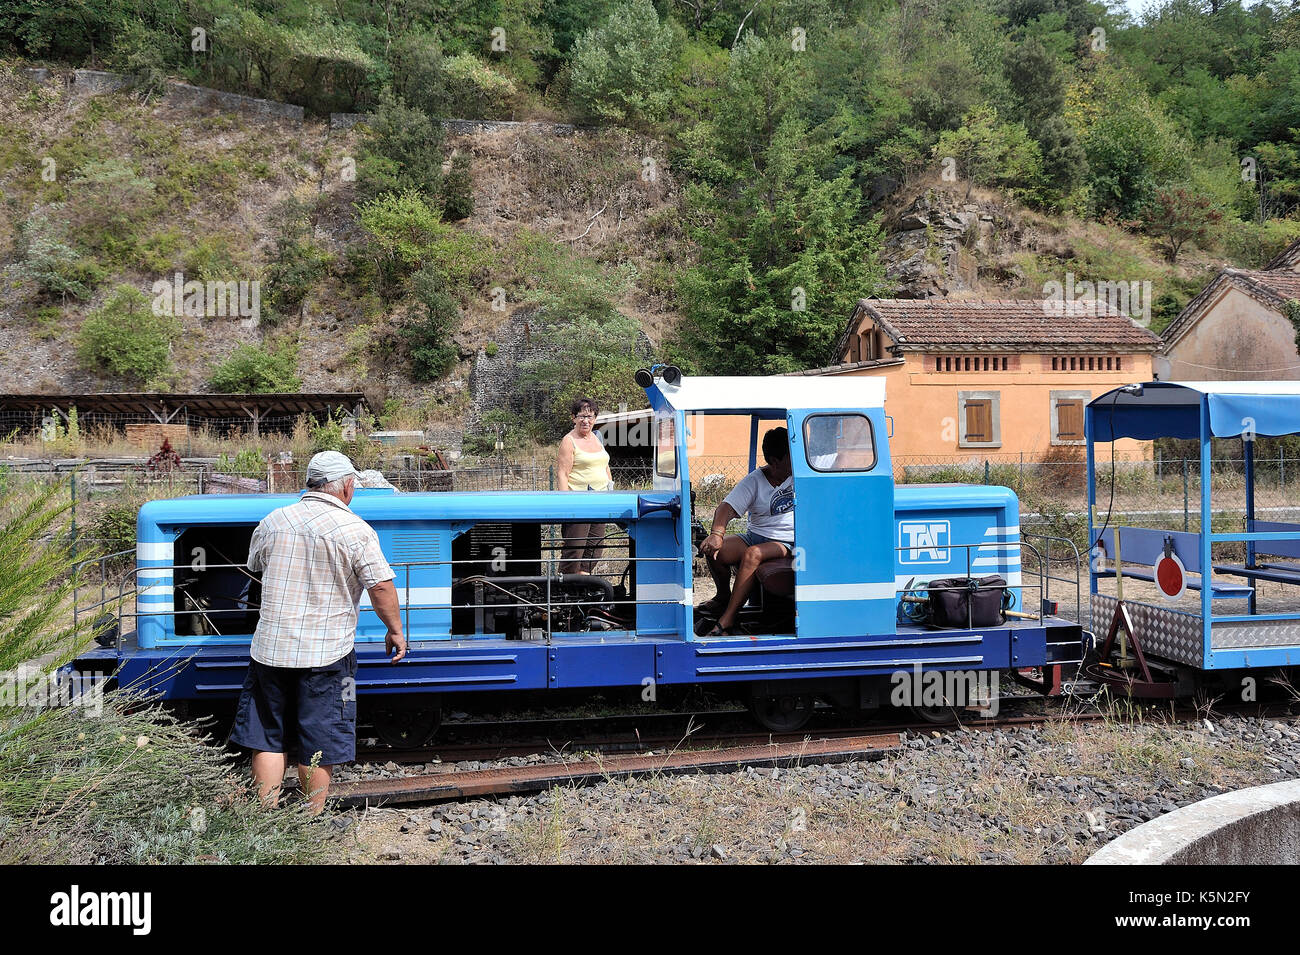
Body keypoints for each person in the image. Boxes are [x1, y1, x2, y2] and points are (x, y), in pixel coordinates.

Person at [229, 451, 407, 813]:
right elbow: (382, 587)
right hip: (327, 654)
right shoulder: (356, 530)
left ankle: (264, 818)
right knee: (319, 740)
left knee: (266, 738)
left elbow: (255, 567)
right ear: (346, 486)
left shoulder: (273, 520)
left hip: (270, 651)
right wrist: (395, 631)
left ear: (310, 483)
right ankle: (311, 821)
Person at [697, 427, 794, 635]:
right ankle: (723, 596)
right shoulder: (756, 480)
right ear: (774, 461)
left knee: (754, 554)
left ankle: (729, 618)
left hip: (788, 542)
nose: (796, 460)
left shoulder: (802, 476)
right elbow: (725, 508)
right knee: (717, 550)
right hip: (756, 537)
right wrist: (717, 534)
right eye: (790, 456)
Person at [556, 396, 614, 574]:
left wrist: (611, 491)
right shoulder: (569, 440)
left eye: (590, 417)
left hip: (600, 501)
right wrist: (566, 504)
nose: (585, 420)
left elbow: (605, 466)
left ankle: (584, 583)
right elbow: (562, 473)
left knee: (595, 548)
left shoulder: (597, 437)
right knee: (575, 548)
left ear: (595, 418)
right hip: (578, 502)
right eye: (581, 416)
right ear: (573, 418)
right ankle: (565, 586)